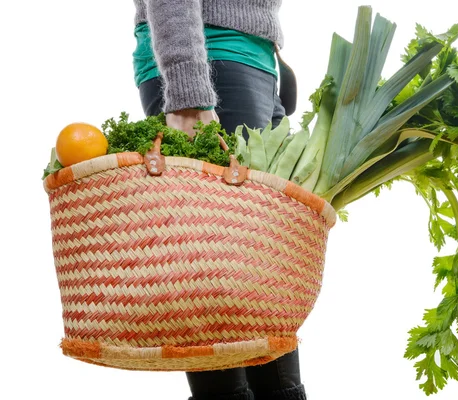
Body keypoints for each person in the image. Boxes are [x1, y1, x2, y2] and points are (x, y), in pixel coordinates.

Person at [131, 1, 305, 400]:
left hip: (251, 60)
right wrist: (187, 87)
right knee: (209, 271)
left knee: (262, 276)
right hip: (209, 58)